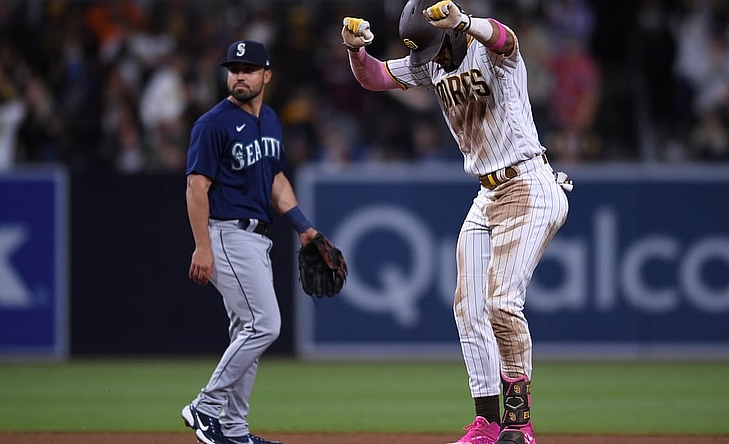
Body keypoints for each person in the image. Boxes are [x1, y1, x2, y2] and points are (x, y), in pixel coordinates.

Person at [341, 1, 571, 443]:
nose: (434, 63)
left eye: (437, 50)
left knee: (501, 302)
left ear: (451, 33)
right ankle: (485, 422)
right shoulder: (430, 60)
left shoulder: (486, 49)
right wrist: (356, 51)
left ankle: (519, 424)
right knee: (468, 308)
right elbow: (375, 77)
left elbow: (508, 38)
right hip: (487, 193)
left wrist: (466, 22)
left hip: (527, 182)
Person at [181, 39, 320, 444]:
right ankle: (206, 407)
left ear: (266, 75)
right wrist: (202, 244)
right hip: (226, 232)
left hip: (258, 238)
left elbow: (276, 179)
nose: (240, 75)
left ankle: (235, 430)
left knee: (248, 330)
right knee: (265, 324)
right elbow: (195, 187)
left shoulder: (271, 120)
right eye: (234, 68)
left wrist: (304, 227)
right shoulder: (213, 123)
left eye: (249, 68)